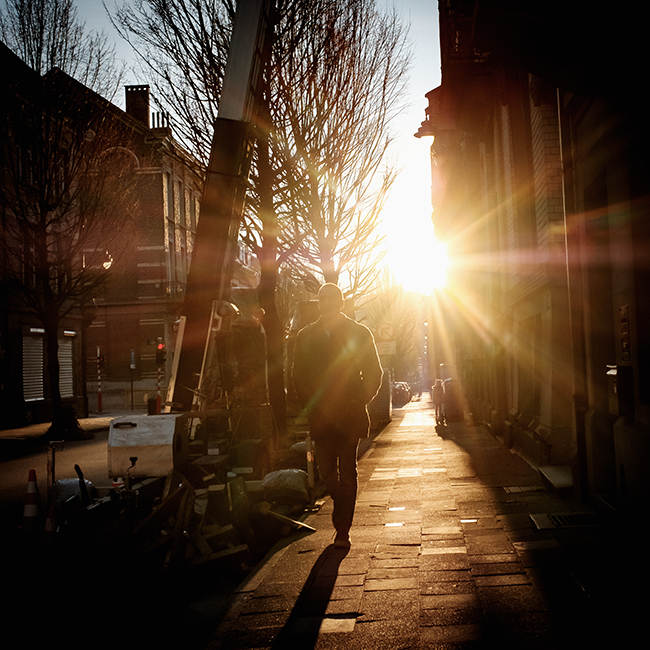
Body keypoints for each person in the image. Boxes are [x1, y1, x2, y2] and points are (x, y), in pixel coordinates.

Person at [292, 283, 383, 548]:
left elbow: (375, 373)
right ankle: (342, 507)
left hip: (350, 414)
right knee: (326, 471)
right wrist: (310, 404)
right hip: (321, 416)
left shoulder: (359, 333)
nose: (327, 304)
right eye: (322, 300)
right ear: (319, 303)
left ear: (341, 303)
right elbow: (298, 375)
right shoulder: (306, 336)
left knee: (348, 471)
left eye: (332, 299)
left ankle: (343, 530)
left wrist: (359, 400)